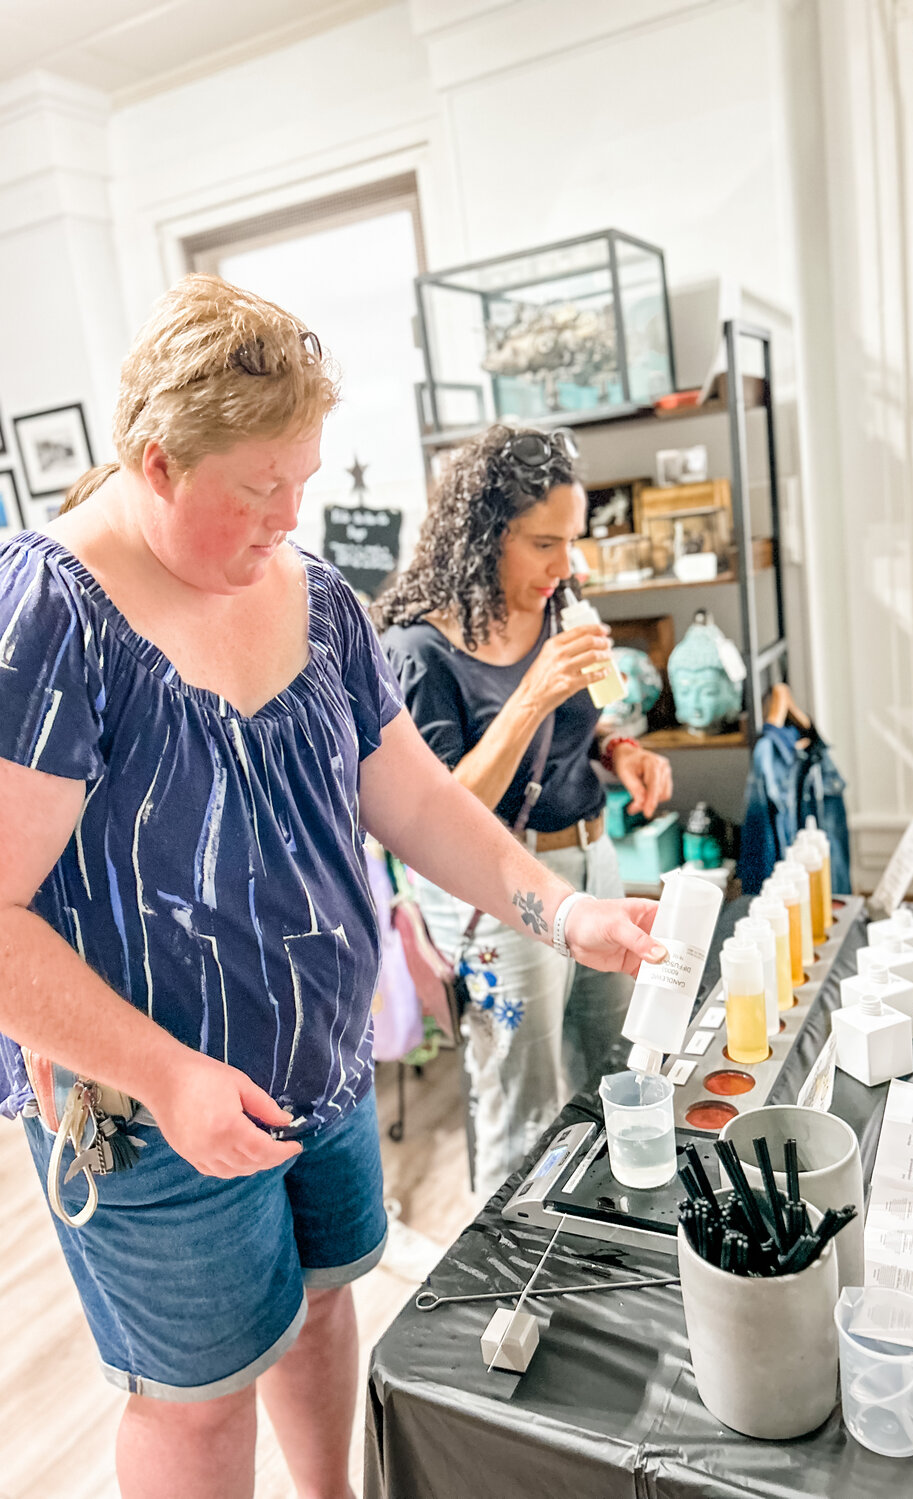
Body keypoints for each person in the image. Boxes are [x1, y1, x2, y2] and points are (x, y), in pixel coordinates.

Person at [0, 277, 668, 1499]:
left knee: (318, 1310)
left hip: (319, 1058)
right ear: (153, 461)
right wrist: (166, 1073)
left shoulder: (310, 594)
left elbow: (412, 799)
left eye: (300, 477)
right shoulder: (52, 611)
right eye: (257, 489)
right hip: (153, 1108)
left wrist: (559, 910)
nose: (286, 515)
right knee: (196, 1407)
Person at [374, 426, 673, 1196]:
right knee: (524, 1099)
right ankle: (511, 1280)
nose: (564, 565)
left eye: (570, 542)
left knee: (613, 1061)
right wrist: (535, 688)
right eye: (543, 543)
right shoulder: (420, 650)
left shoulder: (557, 605)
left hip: (593, 860)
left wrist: (619, 752)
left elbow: (586, 720)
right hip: (498, 891)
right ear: (481, 537)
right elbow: (438, 811)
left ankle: (598, 1229)